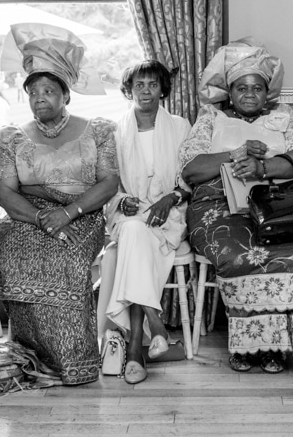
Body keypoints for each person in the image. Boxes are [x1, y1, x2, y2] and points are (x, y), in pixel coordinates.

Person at [0, 23, 119, 386]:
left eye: (48, 90)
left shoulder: (98, 131)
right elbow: (5, 192)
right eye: (33, 92)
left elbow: (109, 182)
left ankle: (73, 360)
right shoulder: (12, 137)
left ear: (66, 95)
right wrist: (38, 218)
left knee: (64, 260)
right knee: (13, 254)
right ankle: (30, 355)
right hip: (28, 215)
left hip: (83, 212)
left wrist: (68, 213)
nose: (39, 98)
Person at [180, 39, 293, 374]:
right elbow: (191, 169)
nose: (250, 95)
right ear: (230, 91)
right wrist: (236, 153)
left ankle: (276, 347)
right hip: (217, 207)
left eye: (257, 88)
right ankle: (245, 346)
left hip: (273, 207)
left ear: (267, 91)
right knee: (240, 253)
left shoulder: (283, 117)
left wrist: (265, 164)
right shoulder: (211, 118)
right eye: (242, 88)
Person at [96, 60, 192, 384]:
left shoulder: (180, 127)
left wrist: (171, 198)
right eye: (139, 85)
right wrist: (123, 201)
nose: (146, 90)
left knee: (134, 240)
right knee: (134, 228)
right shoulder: (115, 132)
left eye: (153, 84)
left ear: (163, 89)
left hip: (168, 215)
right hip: (128, 212)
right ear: (129, 90)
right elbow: (108, 185)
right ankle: (155, 323)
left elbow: (190, 180)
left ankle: (136, 346)